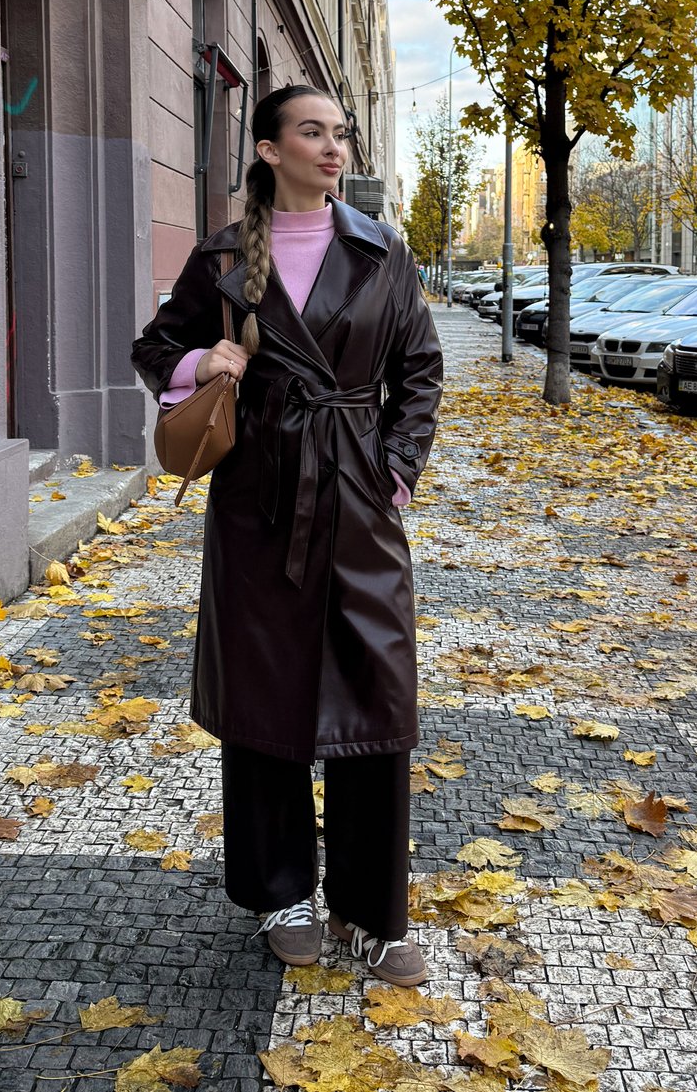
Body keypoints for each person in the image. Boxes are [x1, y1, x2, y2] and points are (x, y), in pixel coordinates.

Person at [131, 85, 443, 985]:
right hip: (258, 499)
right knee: (267, 702)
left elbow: (418, 368)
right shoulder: (223, 254)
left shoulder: (382, 249)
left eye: (340, 132)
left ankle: (369, 911)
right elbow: (156, 347)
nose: (332, 147)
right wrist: (204, 359)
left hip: (358, 496)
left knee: (376, 702)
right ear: (268, 149)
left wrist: (394, 467)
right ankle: (283, 893)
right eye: (313, 132)